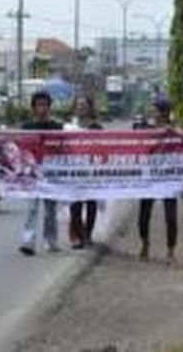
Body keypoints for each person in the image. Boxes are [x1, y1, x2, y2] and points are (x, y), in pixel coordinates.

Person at [19, 90, 64, 256]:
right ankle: (28, 242)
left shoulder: (57, 127)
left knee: (50, 209)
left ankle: (50, 241)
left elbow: (62, 148)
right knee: (32, 208)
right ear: (33, 108)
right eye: (39, 105)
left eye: (45, 104)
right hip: (32, 173)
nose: (42, 108)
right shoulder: (26, 128)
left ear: (49, 107)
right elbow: (20, 148)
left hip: (51, 173)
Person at [136, 96, 179, 263]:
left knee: (171, 216)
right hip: (148, 178)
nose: (152, 113)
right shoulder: (145, 128)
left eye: (156, 110)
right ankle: (145, 244)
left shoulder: (174, 131)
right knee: (144, 215)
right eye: (152, 109)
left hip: (169, 177)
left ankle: (170, 250)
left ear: (165, 112)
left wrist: (173, 129)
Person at [66, 96, 103, 250]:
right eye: (79, 105)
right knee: (75, 205)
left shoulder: (97, 128)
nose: (81, 108)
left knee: (91, 203)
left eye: (84, 105)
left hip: (92, 171)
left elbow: (103, 147)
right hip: (74, 171)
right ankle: (79, 235)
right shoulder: (68, 127)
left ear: (90, 108)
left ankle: (88, 235)